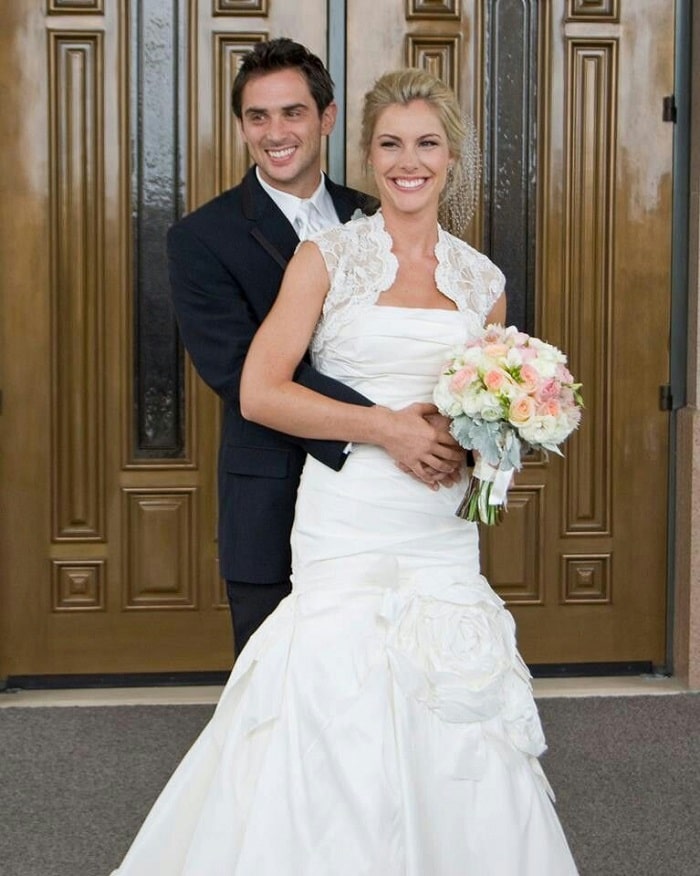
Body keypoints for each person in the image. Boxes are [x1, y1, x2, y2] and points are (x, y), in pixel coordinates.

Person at [112, 68, 578, 874]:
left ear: (452, 157)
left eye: (427, 143)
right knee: (336, 704)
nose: (409, 160)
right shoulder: (327, 258)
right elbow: (259, 390)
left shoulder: (482, 281)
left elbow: (485, 402)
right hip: (350, 513)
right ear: (364, 152)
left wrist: (483, 438)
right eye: (390, 144)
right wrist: (386, 430)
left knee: (454, 703)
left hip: (439, 527)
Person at [168, 38, 463, 654]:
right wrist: (387, 424)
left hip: (397, 501)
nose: (276, 131)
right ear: (243, 126)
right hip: (270, 495)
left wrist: (443, 424)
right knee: (283, 701)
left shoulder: (381, 209)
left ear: (326, 119)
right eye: (257, 116)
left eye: (292, 112)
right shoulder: (201, 237)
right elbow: (236, 374)